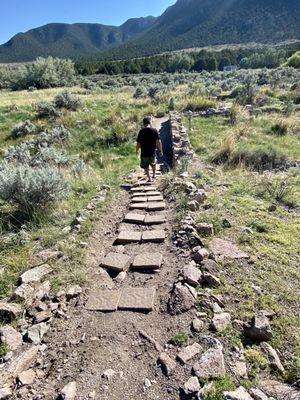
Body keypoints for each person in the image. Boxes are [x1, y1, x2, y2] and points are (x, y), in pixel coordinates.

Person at [136, 116, 163, 182]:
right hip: (152, 151)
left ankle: (149, 178)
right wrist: (161, 150)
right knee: (153, 163)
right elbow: (158, 142)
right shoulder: (154, 130)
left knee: (145, 166)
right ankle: (154, 175)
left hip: (144, 152)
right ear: (150, 122)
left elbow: (138, 143)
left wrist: (137, 150)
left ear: (143, 123)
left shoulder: (141, 131)